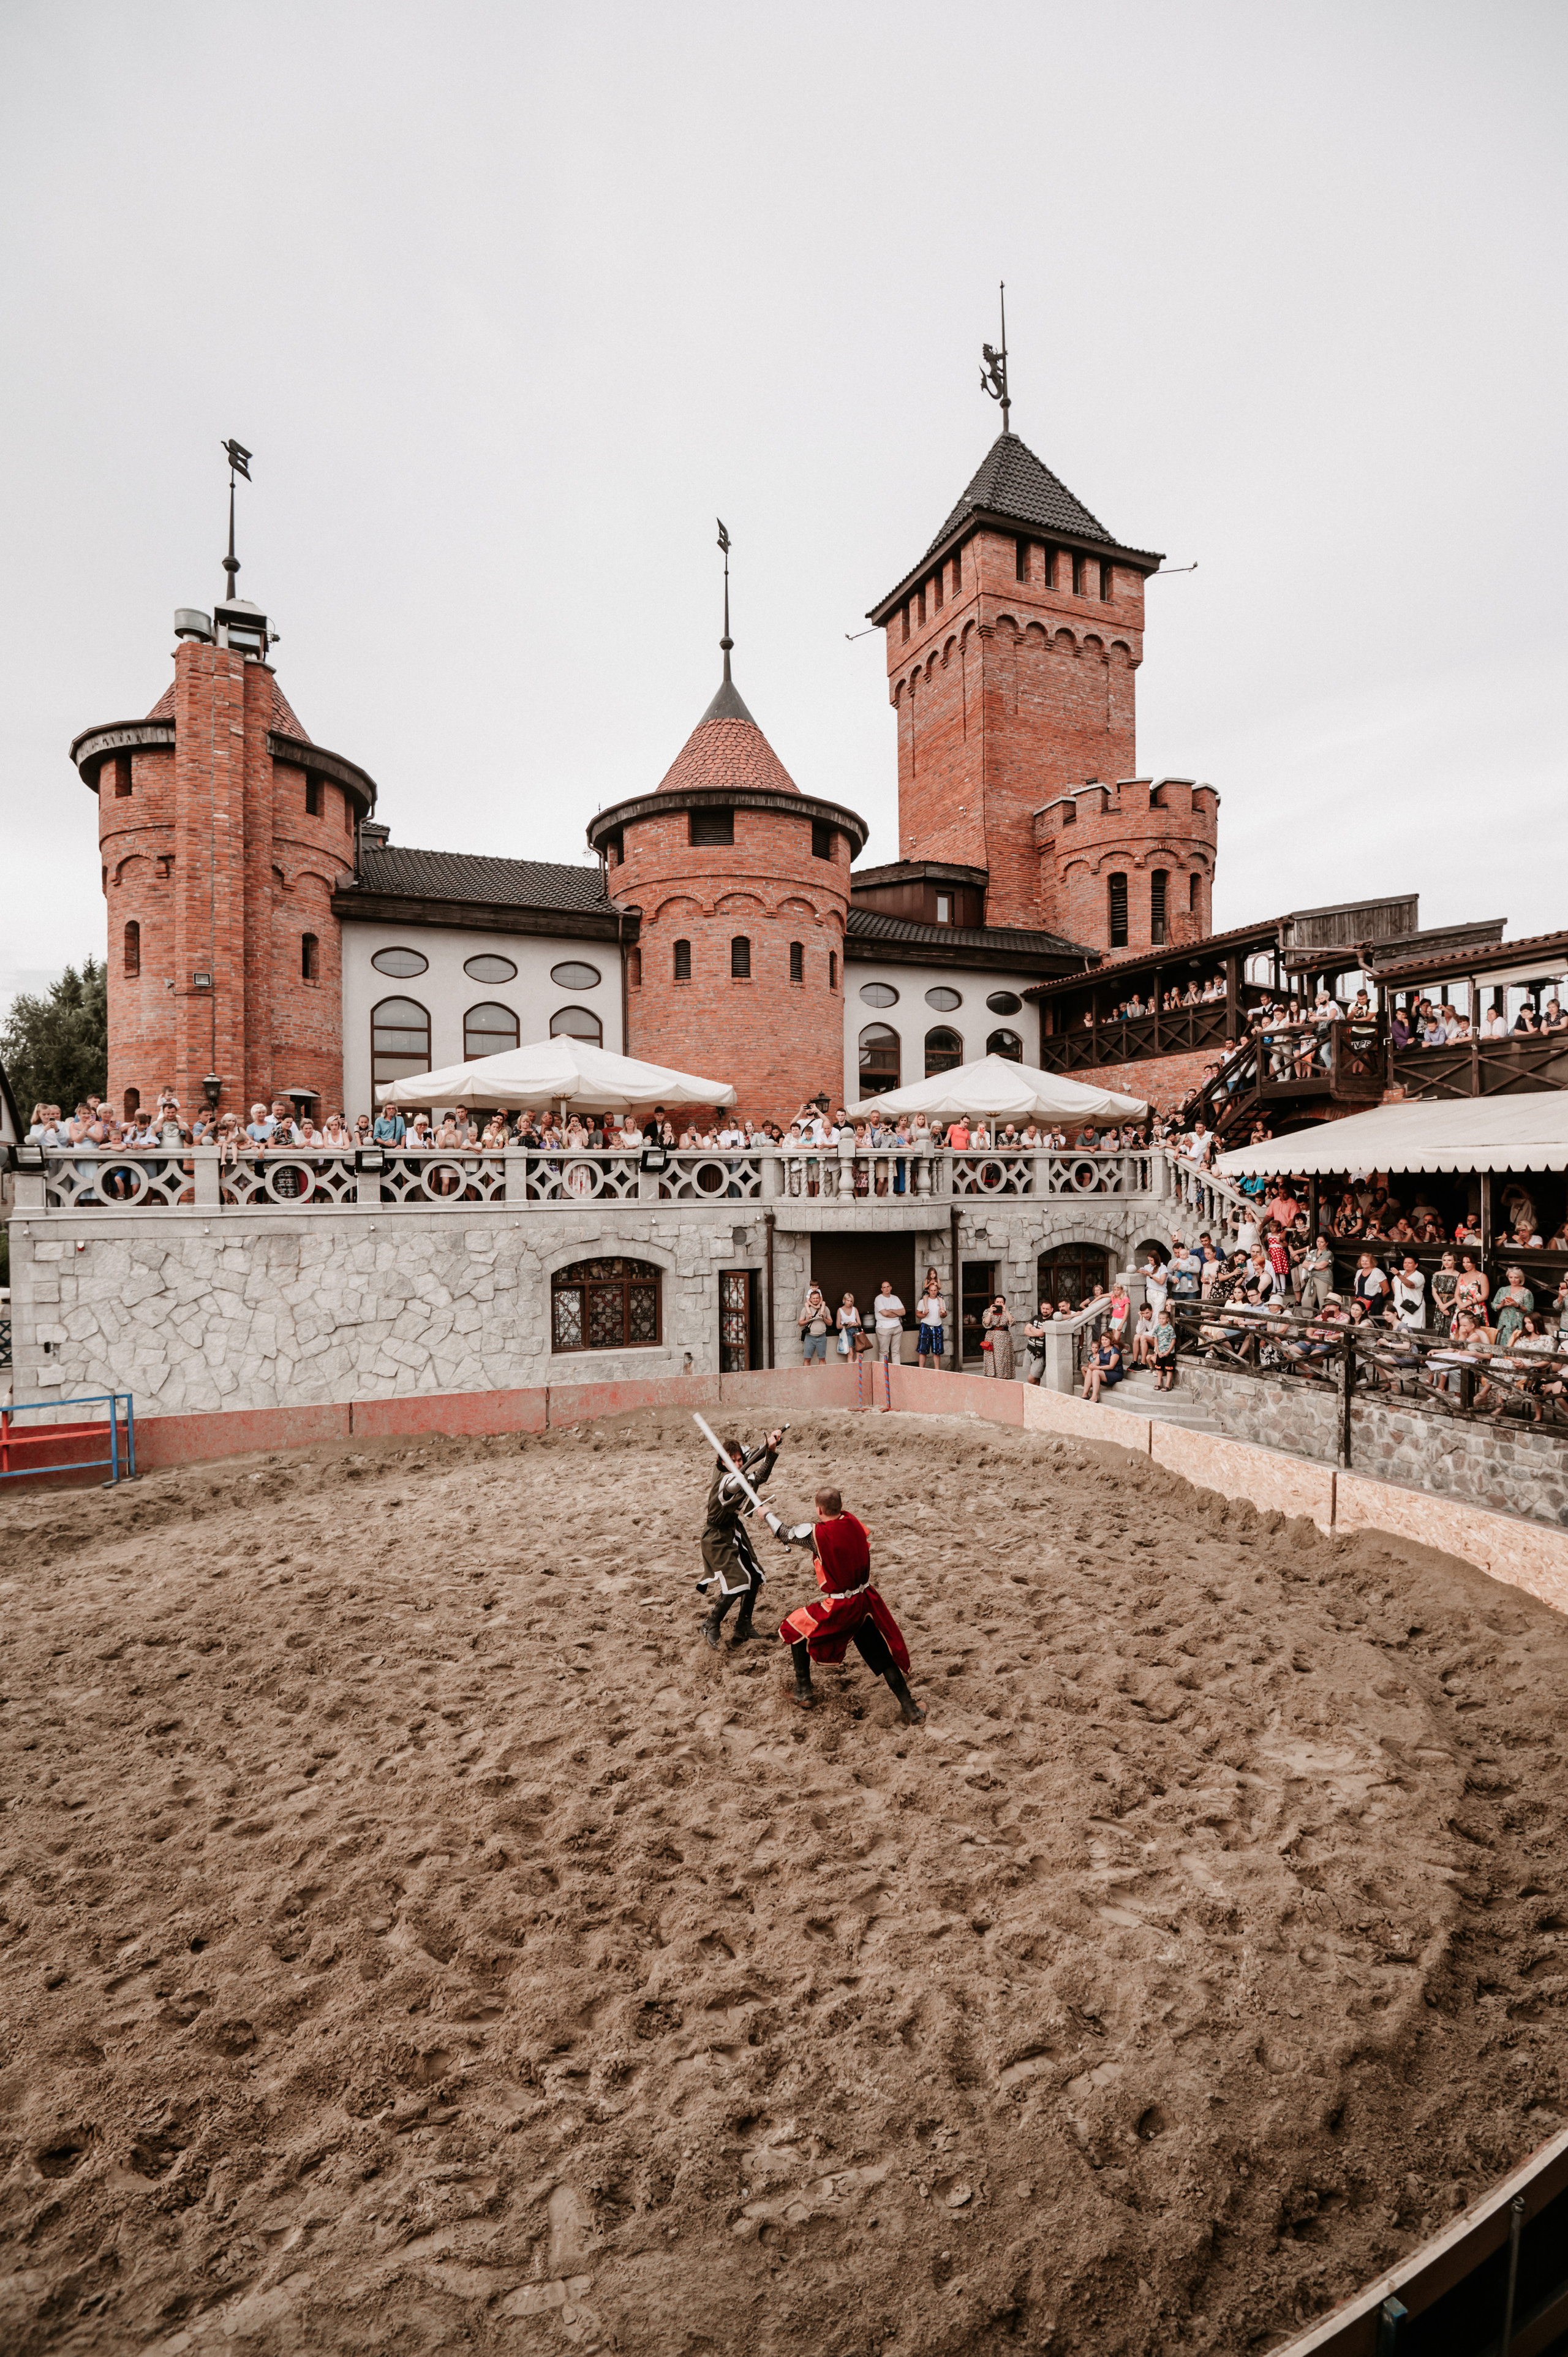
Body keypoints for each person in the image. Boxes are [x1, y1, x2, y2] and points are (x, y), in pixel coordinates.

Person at [767, 1485, 924, 1725]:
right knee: (882, 1655)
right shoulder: (853, 1523)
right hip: (865, 1602)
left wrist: (766, 1514)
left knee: (794, 1626)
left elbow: (784, 1533)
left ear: (819, 1510)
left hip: (842, 1607)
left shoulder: (819, 1534)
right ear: (840, 1507)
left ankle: (803, 1691)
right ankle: (911, 1709)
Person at [696, 1429, 785, 1649]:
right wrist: (769, 1454)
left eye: (739, 1460)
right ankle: (710, 1623)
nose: (737, 1464)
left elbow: (753, 1458)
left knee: (754, 1576)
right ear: (722, 1462)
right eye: (732, 1461)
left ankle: (743, 1625)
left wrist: (770, 1446)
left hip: (733, 1530)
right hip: (716, 1537)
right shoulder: (728, 1480)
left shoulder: (736, 1468)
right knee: (738, 1581)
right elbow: (753, 1478)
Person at [1082, 1329, 1123, 1403]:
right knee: (1090, 1370)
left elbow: (1111, 1366)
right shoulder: (1101, 1350)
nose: (1104, 1341)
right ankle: (1085, 1394)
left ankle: (1095, 1397)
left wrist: (1097, 1368)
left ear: (1111, 1340)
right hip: (1104, 1371)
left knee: (1096, 1372)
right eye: (1102, 1340)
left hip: (1115, 1373)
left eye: (1106, 1340)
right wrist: (1093, 1365)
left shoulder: (1114, 1351)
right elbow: (1097, 1362)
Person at [916, 1271, 945, 1371]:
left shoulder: (941, 1300)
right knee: (922, 1350)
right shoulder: (922, 1301)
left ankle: (937, 1371)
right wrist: (924, 1315)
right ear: (928, 1290)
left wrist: (943, 1314)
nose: (933, 1292)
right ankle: (921, 1370)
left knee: (937, 1351)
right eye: (931, 1290)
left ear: (937, 1291)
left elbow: (944, 1315)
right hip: (926, 1326)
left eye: (935, 1290)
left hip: (937, 1326)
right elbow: (918, 1314)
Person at [1019, 1300, 1055, 1383]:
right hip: (1029, 1349)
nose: (1045, 1311)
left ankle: (1031, 1390)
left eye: (1047, 1309)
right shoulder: (1036, 1317)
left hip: (1040, 1353)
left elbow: (1040, 1334)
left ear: (1052, 1310)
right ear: (1041, 1308)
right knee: (1035, 1377)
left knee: (1032, 1378)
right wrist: (1036, 1332)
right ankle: (1036, 1391)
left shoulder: (1051, 1321)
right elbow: (1025, 1331)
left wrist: (1032, 1328)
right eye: (1043, 1308)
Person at [981, 1295, 1014, 1379]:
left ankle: (1003, 1377)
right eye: (998, 1302)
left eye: (1001, 1302)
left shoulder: (1007, 1312)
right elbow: (986, 1323)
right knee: (990, 1358)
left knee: (1003, 1359)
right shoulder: (988, 1311)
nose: (999, 1304)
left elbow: (1012, 1322)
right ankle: (992, 1377)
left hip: (1004, 1338)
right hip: (991, 1337)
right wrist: (990, 1312)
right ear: (994, 1303)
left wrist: (1005, 1311)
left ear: (1004, 1303)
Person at [872, 1280, 905, 1364]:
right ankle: (883, 1371)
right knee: (884, 1352)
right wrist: (897, 1314)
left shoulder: (895, 1298)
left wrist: (892, 1310)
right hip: (884, 1328)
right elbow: (885, 1313)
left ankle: (896, 1371)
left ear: (891, 1288)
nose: (886, 1289)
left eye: (888, 1287)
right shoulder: (879, 1299)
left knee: (896, 1352)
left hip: (897, 1327)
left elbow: (903, 1312)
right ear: (882, 1289)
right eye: (884, 1287)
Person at [799, 1285, 831, 1364]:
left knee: (822, 1359)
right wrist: (808, 1320)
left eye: (817, 1298)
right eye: (814, 1298)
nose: (816, 1300)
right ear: (810, 1299)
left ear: (820, 1299)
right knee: (807, 1359)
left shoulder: (825, 1308)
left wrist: (824, 1319)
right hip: (810, 1337)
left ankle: (822, 1373)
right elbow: (800, 1323)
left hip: (822, 1337)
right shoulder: (806, 1309)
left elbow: (830, 1323)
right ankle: (807, 1373)